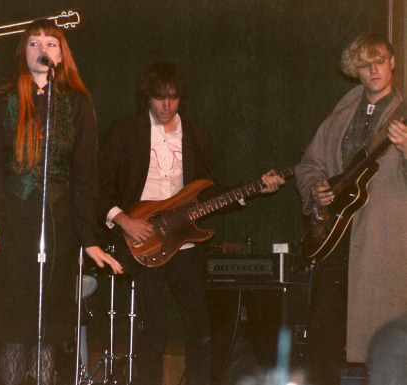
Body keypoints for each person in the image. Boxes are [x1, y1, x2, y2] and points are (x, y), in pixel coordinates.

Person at [98, 61, 285, 385]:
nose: (167, 105)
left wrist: (255, 189)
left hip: (186, 244)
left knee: (200, 329)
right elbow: (98, 187)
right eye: (159, 98)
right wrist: (124, 221)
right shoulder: (125, 132)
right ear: (147, 97)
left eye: (172, 97)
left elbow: (208, 192)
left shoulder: (197, 136)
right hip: (144, 239)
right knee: (154, 330)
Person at [0, 19, 123, 385]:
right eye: (34, 43)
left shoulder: (77, 105)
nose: (43, 50)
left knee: (46, 332)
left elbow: (86, 177)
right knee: (15, 328)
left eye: (51, 44)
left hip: (56, 229)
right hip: (12, 228)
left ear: (62, 54)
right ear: (23, 52)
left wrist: (89, 239)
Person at [295, 32, 407, 385]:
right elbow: (309, 164)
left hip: (385, 243)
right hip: (335, 239)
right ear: (354, 70)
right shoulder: (340, 115)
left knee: (382, 340)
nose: (373, 70)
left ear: (392, 62)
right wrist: (316, 189)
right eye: (364, 64)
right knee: (324, 335)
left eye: (379, 61)